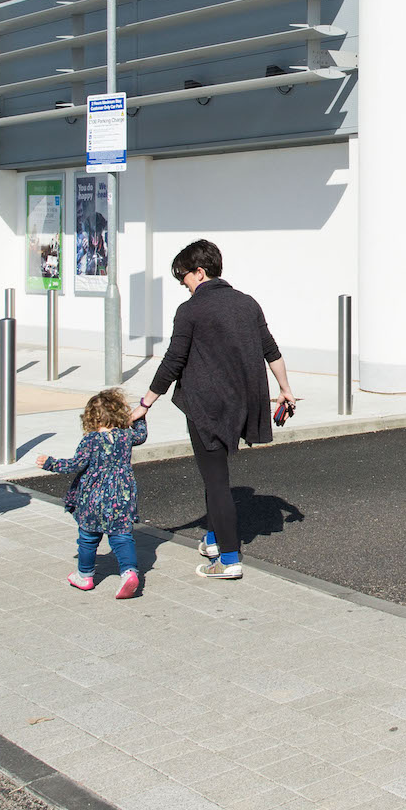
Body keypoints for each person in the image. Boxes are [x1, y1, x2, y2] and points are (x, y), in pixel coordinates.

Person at [134, 238, 295, 581]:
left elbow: (173, 361)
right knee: (215, 477)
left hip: (206, 406)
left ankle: (228, 558)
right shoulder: (247, 303)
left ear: (199, 272)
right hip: (242, 402)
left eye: (184, 277)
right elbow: (271, 350)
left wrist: (145, 403)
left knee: (216, 480)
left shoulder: (191, 310)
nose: (183, 284)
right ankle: (212, 538)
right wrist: (285, 389)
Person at [35, 388, 149, 598]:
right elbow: (141, 435)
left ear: (91, 418)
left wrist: (51, 463)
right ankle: (129, 573)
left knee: (88, 537)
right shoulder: (126, 436)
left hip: (93, 497)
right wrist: (140, 416)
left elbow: (75, 464)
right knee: (122, 536)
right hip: (122, 495)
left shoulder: (91, 440)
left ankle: (85, 576)